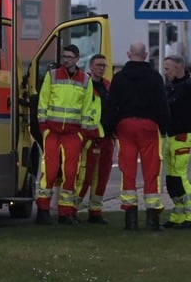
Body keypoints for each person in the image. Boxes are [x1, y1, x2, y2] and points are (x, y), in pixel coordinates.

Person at [102, 41, 170, 231]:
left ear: (128, 54)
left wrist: (109, 128)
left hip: (125, 126)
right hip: (149, 126)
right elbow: (162, 105)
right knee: (151, 171)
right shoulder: (155, 77)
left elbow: (111, 105)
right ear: (146, 55)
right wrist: (164, 127)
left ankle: (130, 219)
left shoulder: (119, 78)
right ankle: (152, 219)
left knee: (128, 171)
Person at [35, 44, 94, 226]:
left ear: (77, 59)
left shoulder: (85, 80)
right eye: (64, 56)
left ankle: (65, 212)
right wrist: (44, 127)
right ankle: (43, 210)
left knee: (70, 173)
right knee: (50, 172)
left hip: (73, 134)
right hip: (52, 132)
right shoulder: (52, 76)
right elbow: (43, 102)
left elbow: (87, 109)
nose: (66, 60)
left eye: (69, 57)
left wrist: (83, 134)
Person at [161, 54, 191, 229]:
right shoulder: (175, 85)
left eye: (167, 69)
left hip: (182, 136)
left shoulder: (185, 87)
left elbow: (169, 104)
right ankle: (179, 214)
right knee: (172, 179)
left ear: (177, 68)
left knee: (179, 177)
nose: (165, 72)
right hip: (173, 136)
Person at [74, 53, 113, 224]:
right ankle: (71, 209)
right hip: (91, 137)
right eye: (98, 65)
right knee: (84, 175)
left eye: (104, 65)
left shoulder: (107, 85)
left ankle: (96, 211)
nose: (101, 68)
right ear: (91, 66)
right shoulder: (85, 84)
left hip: (107, 137)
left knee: (102, 176)